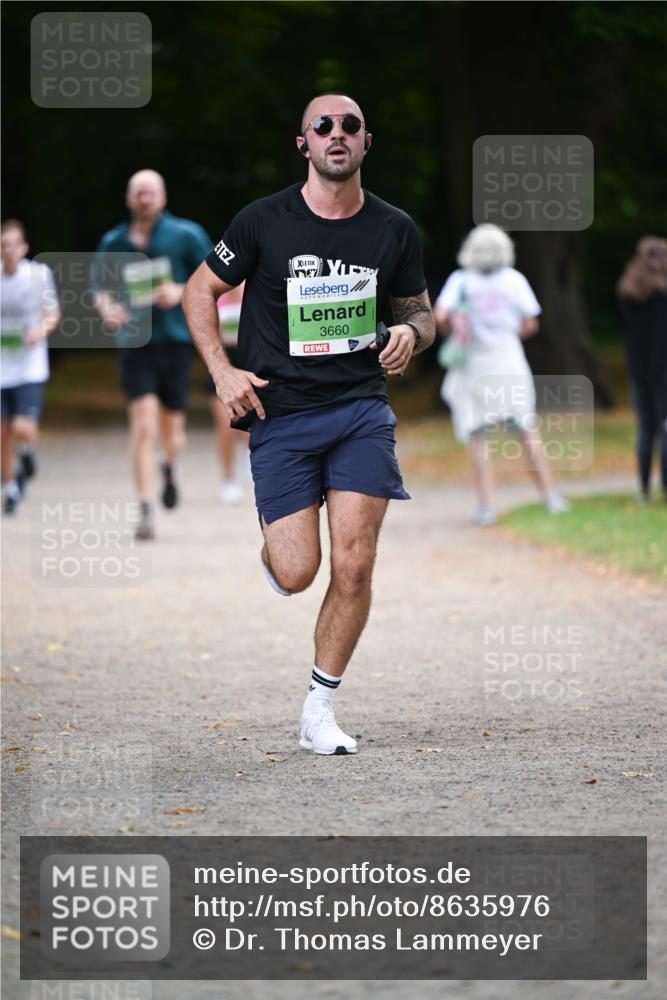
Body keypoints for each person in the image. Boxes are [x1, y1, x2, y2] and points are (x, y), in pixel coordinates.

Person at [183, 92, 435, 755]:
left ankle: (319, 709)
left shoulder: (392, 228)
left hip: (358, 409)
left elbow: (420, 310)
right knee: (297, 572)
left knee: (353, 565)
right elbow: (196, 290)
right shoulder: (262, 221)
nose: (336, 134)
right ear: (303, 143)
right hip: (281, 411)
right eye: (321, 126)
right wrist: (221, 372)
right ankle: (277, 546)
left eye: (349, 125)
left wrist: (411, 332)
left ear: (365, 142)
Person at [93, 170, 211, 539]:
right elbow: (100, 287)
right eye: (139, 193)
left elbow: (212, 276)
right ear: (129, 199)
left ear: (162, 197)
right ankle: (145, 509)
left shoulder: (186, 235)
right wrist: (107, 309)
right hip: (134, 341)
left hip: (175, 339)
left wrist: (179, 291)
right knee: (143, 425)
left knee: (171, 430)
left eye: (151, 193)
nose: (145, 199)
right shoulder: (114, 241)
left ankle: (169, 465)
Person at [434, 224, 570, 525]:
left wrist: (455, 332)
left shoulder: (461, 280)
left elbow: (440, 315)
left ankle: (486, 507)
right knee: (526, 428)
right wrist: (509, 335)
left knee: (478, 434)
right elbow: (531, 322)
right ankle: (550, 496)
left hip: (474, 363)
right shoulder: (514, 280)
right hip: (508, 361)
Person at [1, 219, 61, 515]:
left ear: (23, 247)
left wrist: (40, 331)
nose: (8, 249)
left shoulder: (38, 275)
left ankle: (26, 452)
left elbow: (53, 314)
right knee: (2, 433)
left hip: (29, 366)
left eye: (13, 243)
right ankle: (11, 487)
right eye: (3, 244)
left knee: (23, 428)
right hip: (1, 366)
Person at [617, 235, 667, 502]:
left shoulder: (628, 290)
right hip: (663, 368)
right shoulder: (662, 293)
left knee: (646, 428)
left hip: (637, 367)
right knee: (665, 425)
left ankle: (644, 487)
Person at [205, 282, 248, 504]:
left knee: (248, 427)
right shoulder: (214, 298)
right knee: (225, 426)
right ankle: (228, 480)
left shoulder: (253, 292)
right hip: (222, 369)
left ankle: (246, 454)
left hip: (248, 368)